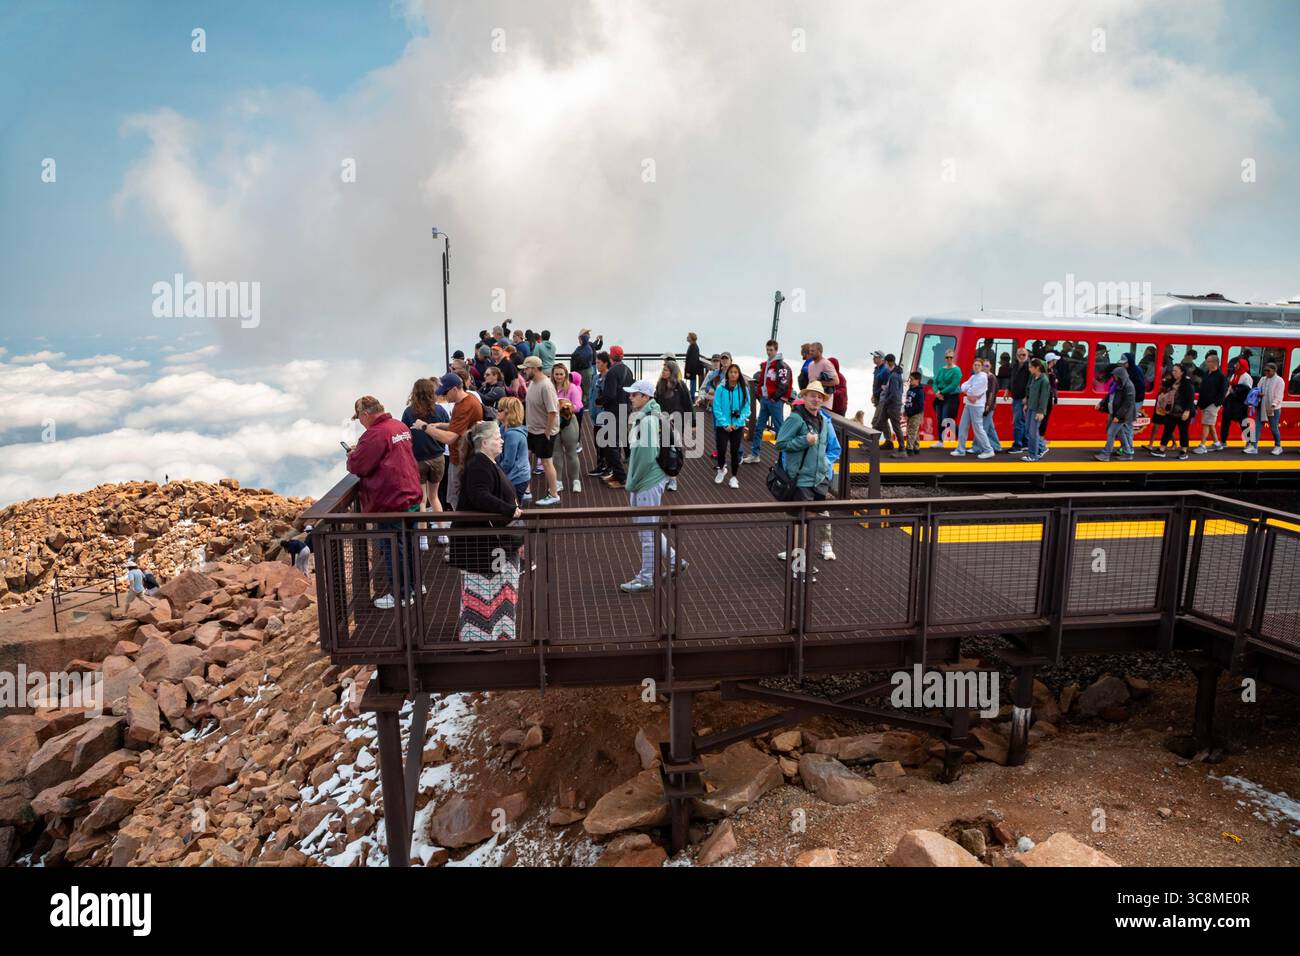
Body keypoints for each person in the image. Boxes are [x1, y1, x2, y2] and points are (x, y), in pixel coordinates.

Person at [346, 395, 423, 609]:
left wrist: (352, 455)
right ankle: (415, 586)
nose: (360, 422)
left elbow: (359, 466)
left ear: (365, 414)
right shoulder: (399, 426)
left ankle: (401, 594)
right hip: (411, 494)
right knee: (409, 542)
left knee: (394, 547)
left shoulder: (375, 434)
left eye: (359, 418)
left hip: (391, 500)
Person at [450, 421, 525, 641]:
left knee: (494, 589)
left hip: (489, 543)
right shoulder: (479, 464)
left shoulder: (485, 461)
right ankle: (481, 638)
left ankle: (493, 636)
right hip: (482, 544)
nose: (501, 440)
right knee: (485, 590)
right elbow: (479, 495)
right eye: (496, 437)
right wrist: (509, 509)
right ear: (484, 442)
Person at [620, 381, 684, 592]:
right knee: (649, 527)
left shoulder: (647, 421)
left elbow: (646, 456)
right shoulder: (652, 416)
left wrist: (632, 481)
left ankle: (646, 578)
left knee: (646, 532)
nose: (631, 398)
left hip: (648, 480)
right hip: (653, 478)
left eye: (635, 394)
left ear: (645, 397)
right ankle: (675, 561)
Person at [774, 382, 833, 576]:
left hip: (817, 481)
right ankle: (799, 567)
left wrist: (824, 471)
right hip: (800, 481)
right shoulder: (796, 418)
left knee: (809, 523)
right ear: (805, 397)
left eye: (819, 397)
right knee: (801, 524)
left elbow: (825, 449)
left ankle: (800, 560)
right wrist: (803, 441)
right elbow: (780, 443)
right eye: (812, 395)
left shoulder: (823, 421)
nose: (816, 399)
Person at [402, 378, 450, 547]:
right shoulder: (439, 410)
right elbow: (448, 428)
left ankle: (423, 538)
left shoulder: (409, 412)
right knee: (434, 496)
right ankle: (442, 533)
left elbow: (404, 435)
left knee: (421, 500)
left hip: (418, 459)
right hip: (437, 458)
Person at [425, 372, 483, 509]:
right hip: (460, 457)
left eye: (445, 392)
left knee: (456, 497)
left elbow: (450, 438)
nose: (443, 396)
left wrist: (425, 427)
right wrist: (439, 425)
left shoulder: (464, 406)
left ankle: (461, 527)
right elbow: (458, 426)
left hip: (463, 459)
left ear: (454, 389)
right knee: (454, 497)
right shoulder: (466, 400)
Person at [519, 356, 561, 506]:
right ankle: (526, 490)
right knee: (525, 458)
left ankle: (554, 493)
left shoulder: (546, 386)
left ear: (535, 369)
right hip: (532, 429)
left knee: (546, 462)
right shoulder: (532, 383)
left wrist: (547, 433)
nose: (524, 371)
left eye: (526, 368)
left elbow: (552, 412)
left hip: (543, 431)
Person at [747, 340, 792, 464]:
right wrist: (761, 395)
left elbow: (784, 384)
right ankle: (755, 454)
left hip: (775, 402)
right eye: (767, 350)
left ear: (776, 350)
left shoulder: (782, 366)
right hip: (766, 400)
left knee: (780, 430)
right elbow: (762, 381)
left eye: (771, 350)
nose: (769, 352)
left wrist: (774, 398)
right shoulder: (767, 364)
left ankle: (784, 459)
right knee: (759, 427)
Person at [655, 359, 691, 491]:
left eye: (666, 370)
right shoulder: (660, 385)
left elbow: (688, 404)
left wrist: (692, 422)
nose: (663, 372)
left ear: (672, 372)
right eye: (663, 369)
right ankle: (665, 475)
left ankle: (673, 479)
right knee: (663, 450)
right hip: (662, 422)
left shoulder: (680, 386)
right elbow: (656, 403)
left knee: (673, 450)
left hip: (676, 422)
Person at [713, 363, 748, 488]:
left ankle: (734, 477)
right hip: (722, 425)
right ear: (727, 374)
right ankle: (721, 469)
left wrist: (737, 424)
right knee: (721, 450)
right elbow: (716, 407)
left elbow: (746, 408)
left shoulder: (743, 389)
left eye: (735, 372)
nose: (733, 374)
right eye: (731, 372)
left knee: (734, 451)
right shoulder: (720, 388)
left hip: (737, 426)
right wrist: (725, 424)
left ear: (739, 375)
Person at [551, 362, 584, 493]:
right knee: (556, 453)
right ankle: (558, 481)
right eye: (556, 374)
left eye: (561, 374)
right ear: (552, 375)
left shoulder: (572, 388)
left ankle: (576, 480)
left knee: (571, 452)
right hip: (553, 421)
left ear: (565, 375)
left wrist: (567, 407)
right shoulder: (549, 387)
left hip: (568, 421)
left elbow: (579, 405)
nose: (558, 376)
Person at [1151, 363, 1194, 459]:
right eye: (1173, 370)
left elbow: (1190, 398)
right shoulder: (1172, 381)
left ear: (1182, 372)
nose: (1173, 373)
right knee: (1167, 430)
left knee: (1183, 431)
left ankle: (1183, 451)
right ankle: (1162, 449)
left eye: (1176, 371)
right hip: (1171, 411)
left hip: (1182, 411)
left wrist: (1187, 411)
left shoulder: (1187, 383)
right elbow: (1164, 386)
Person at [1094, 366, 1136, 462]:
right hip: (1115, 412)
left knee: (1111, 432)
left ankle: (1105, 454)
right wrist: (1101, 403)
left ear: (1121, 376)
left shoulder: (1129, 386)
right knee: (1120, 433)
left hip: (1122, 415)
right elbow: (1109, 395)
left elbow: (1127, 404)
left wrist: (1118, 416)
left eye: (1115, 375)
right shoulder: (1117, 384)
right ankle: (1128, 453)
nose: (1114, 377)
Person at [952, 362, 993, 458]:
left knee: (978, 428)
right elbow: (963, 386)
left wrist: (968, 390)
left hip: (977, 406)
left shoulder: (983, 377)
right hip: (969, 404)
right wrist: (969, 392)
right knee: (962, 426)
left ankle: (988, 450)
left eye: (978, 365)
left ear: (981, 367)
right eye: (975, 365)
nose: (976, 367)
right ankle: (961, 450)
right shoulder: (973, 377)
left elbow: (973, 390)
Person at [495, 396, 532, 501]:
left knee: (512, 506)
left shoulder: (513, 435)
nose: (497, 411)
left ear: (508, 412)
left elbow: (508, 462)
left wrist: (495, 474)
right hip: (514, 475)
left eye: (500, 410)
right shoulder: (503, 428)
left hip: (517, 477)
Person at [1194, 353, 1227, 453]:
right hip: (1205, 403)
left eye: (1208, 361)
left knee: (1206, 423)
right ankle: (1217, 443)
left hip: (1212, 404)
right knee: (1210, 424)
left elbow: (1223, 391)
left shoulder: (1221, 376)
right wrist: (1199, 403)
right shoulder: (1207, 374)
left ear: (1214, 363)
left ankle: (1202, 445)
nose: (1206, 363)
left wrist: (1217, 403)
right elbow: (1203, 389)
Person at [1251, 363, 1285, 455]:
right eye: (1265, 370)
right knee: (1257, 426)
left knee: (1274, 428)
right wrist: (1258, 393)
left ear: (1274, 370)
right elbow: (1257, 389)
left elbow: (1279, 396)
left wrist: (1274, 405)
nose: (1266, 372)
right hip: (1262, 406)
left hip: (1273, 408)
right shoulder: (1263, 379)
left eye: (1268, 370)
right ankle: (1254, 446)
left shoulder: (1279, 381)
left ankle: (1278, 446)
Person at [1221, 357, 1253, 449]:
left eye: (1238, 364)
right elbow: (1230, 388)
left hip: (1240, 403)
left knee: (1243, 422)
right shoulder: (1234, 375)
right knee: (1225, 421)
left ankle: (1249, 442)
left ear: (1242, 366)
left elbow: (1247, 391)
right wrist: (1225, 399)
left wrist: (1236, 391)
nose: (1235, 366)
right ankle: (1223, 440)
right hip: (1230, 401)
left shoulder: (1247, 377)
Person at [931, 347, 961, 448]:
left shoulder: (957, 370)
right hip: (940, 396)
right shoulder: (941, 369)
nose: (949, 359)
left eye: (951, 357)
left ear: (954, 358)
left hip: (951, 397)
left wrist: (941, 392)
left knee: (947, 420)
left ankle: (962, 437)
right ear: (944, 358)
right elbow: (935, 382)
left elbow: (953, 385)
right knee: (939, 419)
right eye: (947, 357)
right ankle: (940, 441)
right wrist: (937, 392)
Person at [879, 353, 905, 458]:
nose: (884, 365)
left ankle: (902, 449)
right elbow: (899, 390)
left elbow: (894, 393)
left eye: (885, 362)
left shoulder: (894, 376)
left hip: (893, 405)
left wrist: (886, 400)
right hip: (891, 404)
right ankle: (871, 445)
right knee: (880, 422)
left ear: (888, 362)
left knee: (896, 427)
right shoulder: (896, 374)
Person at [1023, 358, 1050, 461]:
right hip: (1031, 407)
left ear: (1037, 367)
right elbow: (1030, 392)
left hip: (1037, 410)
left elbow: (1044, 398)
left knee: (1032, 433)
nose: (1029, 369)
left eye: (1031, 367)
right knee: (1028, 431)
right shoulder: (1034, 377)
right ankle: (1040, 449)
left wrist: (1041, 412)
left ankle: (1032, 456)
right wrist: (1027, 404)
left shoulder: (1044, 380)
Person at [1145, 372, 1174, 454]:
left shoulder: (1168, 394)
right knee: (1155, 428)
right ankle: (1150, 444)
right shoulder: (1161, 393)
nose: (1159, 386)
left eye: (1161, 385)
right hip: (1158, 411)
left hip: (1165, 413)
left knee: (1169, 429)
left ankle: (1174, 443)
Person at [1008, 346, 1030, 453]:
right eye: (1019, 355)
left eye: (1023, 355)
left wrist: (1027, 397)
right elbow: (1012, 379)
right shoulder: (1015, 366)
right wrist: (1008, 389)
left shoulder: (1029, 367)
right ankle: (1025, 443)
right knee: (1022, 421)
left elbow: (1030, 383)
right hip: (1015, 397)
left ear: (1027, 356)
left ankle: (1017, 446)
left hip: (1022, 398)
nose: (1021, 356)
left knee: (1018, 422)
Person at [980, 358, 1002, 453]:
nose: (985, 368)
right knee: (990, 428)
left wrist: (988, 406)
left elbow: (992, 393)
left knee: (983, 428)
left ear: (990, 367)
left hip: (988, 406)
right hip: (986, 405)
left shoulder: (991, 378)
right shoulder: (983, 377)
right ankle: (996, 446)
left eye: (987, 366)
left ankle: (979, 447)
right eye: (983, 366)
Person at [571, 329, 597, 405]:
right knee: (582, 388)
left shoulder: (587, 349)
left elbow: (580, 358)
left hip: (585, 371)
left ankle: (587, 405)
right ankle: (583, 403)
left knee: (587, 389)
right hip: (582, 371)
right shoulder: (582, 348)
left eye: (580, 339)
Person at [869, 350, 890, 447]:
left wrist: (878, 395)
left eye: (876, 357)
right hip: (878, 398)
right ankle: (888, 441)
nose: (874, 358)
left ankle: (872, 444)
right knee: (883, 420)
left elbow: (886, 387)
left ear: (882, 359)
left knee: (876, 420)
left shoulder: (885, 370)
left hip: (883, 399)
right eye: (874, 357)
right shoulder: (877, 369)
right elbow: (876, 385)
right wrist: (874, 395)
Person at [903, 370, 925, 456]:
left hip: (916, 414)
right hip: (910, 412)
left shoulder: (920, 391)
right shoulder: (910, 389)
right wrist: (906, 410)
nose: (910, 381)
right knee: (914, 430)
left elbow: (920, 406)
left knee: (911, 430)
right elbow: (908, 400)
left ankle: (909, 449)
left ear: (917, 380)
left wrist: (911, 412)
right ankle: (916, 448)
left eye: (911, 379)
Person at [685, 332, 704, 401]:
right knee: (692, 383)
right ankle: (691, 396)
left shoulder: (694, 347)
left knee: (692, 383)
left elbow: (692, 360)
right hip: (692, 369)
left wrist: (688, 371)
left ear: (691, 338)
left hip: (692, 369)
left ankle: (692, 397)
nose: (687, 337)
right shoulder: (692, 346)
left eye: (688, 336)